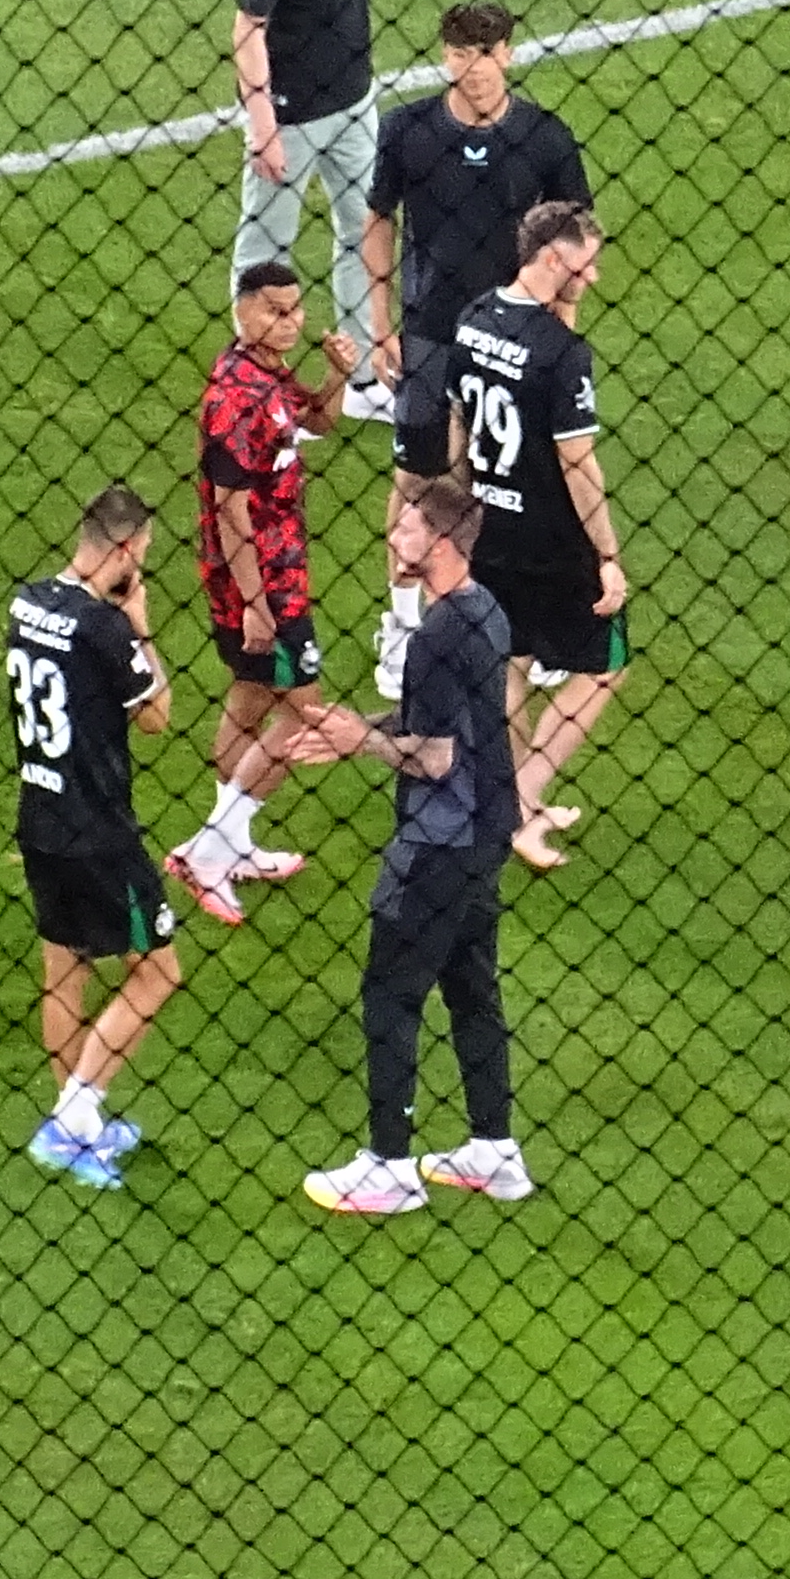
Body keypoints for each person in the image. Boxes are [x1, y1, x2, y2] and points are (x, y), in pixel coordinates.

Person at [296, 483, 537, 1214]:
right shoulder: (484, 611)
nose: (392, 535)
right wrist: (361, 723)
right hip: (488, 830)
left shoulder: (434, 637)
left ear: (438, 545)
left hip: (438, 841)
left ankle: (390, 1167)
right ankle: (495, 1151)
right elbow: (450, 719)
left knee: (390, 993)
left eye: (404, 526)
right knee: (471, 985)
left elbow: (431, 757)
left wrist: (358, 742)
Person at [363, 0, 590, 686]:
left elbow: (575, 238)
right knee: (418, 481)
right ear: (445, 58)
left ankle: (510, 627)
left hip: (515, 336)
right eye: (462, 54)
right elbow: (378, 220)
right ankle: (402, 626)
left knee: (508, 484)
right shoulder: (408, 131)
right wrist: (380, 322)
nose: (475, 68)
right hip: (431, 334)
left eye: (487, 54)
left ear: (510, 56)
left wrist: (563, 326)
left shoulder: (547, 138)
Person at [7, 484, 183, 1189]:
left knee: (65, 971)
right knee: (159, 971)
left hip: (39, 816)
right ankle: (76, 1118)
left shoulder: (27, 603)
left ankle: (71, 1118)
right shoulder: (104, 629)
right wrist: (139, 624)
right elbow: (157, 716)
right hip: (99, 828)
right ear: (123, 549)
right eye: (140, 555)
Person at [446, 201, 623, 866]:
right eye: (586, 261)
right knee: (605, 668)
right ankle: (525, 801)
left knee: (510, 665)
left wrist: (468, 505)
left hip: (489, 527)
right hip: (551, 541)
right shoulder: (561, 356)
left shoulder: (471, 320)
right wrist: (607, 555)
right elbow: (578, 464)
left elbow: (459, 432)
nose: (595, 275)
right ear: (554, 257)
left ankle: (511, 802)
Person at [169, 263, 335, 926]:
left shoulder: (265, 370)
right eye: (274, 310)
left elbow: (319, 423)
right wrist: (256, 603)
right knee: (307, 717)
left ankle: (228, 843)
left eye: (295, 310)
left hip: (281, 570)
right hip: (261, 583)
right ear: (242, 310)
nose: (289, 321)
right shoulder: (233, 396)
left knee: (248, 705)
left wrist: (339, 375)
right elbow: (231, 510)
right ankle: (208, 851)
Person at [231, 0, 384, 409]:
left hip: (355, 103)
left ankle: (364, 381)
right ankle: (255, 385)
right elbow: (248, 29)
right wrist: (263, 121)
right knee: (268, 250)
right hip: (292, 119)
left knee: (365, 232)